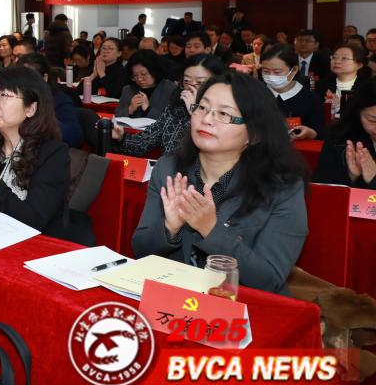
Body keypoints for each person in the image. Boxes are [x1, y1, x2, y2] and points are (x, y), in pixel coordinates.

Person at [131, 72, 308, 295]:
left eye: (224, 114)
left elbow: (269, 278)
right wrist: (170, 228)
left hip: (244, 305)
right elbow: (140, 251)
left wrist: (211, 231)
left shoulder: (282, 187)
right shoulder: (169, 169)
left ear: (254, 134)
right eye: (202, 108)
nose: (206, 119)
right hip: (176, 298)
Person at [0, 66, 88, 241]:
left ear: (30, 109)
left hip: (29, 248)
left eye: (4, 95)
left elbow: (31, 222)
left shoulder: (52, 154)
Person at [112, 54, 227, 157]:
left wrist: (195, 112)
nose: (191, 87)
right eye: (187, 81)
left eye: (200, 82)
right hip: (167, 170)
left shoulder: (224, 114)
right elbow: (146, 141)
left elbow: (212, 153)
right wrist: (122, 137)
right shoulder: (175, 108)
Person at [315, 77, 376, 188]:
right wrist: (350, 176)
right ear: (358, 114)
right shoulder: (340, 138)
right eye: (372, 120)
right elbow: (321, 187)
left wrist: (373, 180)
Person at [259, 44, 326, 141]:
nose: (270, 76)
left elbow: (320, 134)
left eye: (277, 72)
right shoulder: (256, 93)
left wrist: (310, 133)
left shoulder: (310, 98)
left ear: (294, 70)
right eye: (265, 71)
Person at [16, 53, 83, 148]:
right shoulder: (15, 98)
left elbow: (74, 137)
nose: (25, 84)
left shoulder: (59, 100)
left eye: (30, 79)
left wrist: (42, 118)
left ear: (45, 78)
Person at [116, 51, 178, 120]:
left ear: (154, 71)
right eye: (135, 75)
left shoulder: (170, 89)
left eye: (143, 74)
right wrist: (130, 109)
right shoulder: (128, 89)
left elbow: (173, 120)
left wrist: (148, 109)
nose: (139, 79)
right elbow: (117, 115)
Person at [316, 44, 370, 118]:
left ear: (359, 65)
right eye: (334, 57)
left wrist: (339, 106)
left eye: (344, 58)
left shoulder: (368, 87)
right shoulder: (321, 85)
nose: (337, 61)